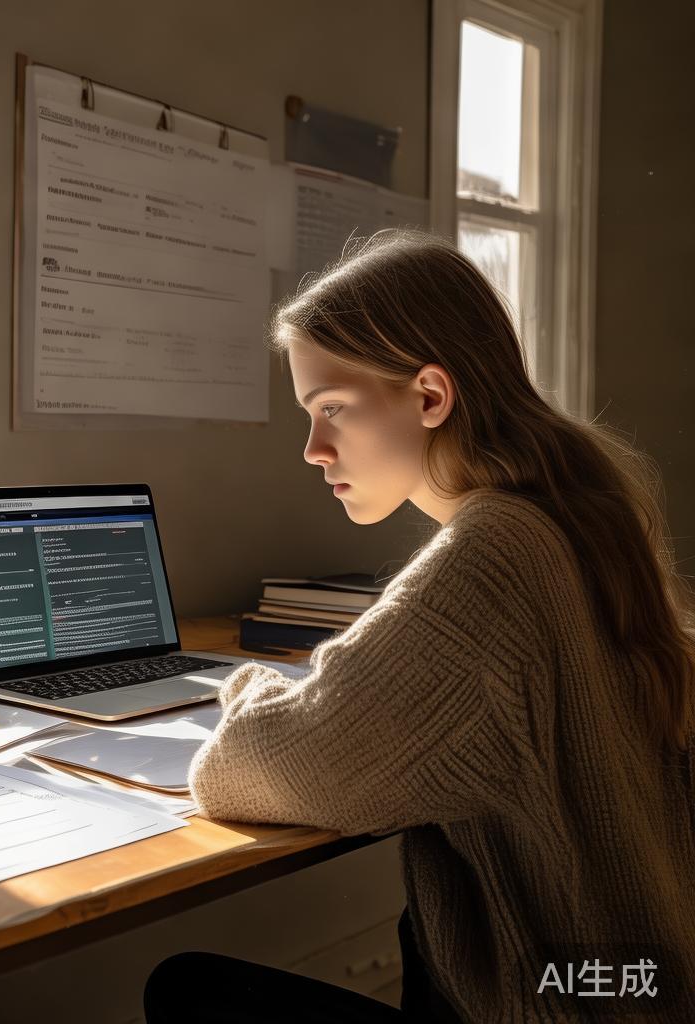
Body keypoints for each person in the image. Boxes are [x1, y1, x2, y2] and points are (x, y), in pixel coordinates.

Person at [143, 230, 695, 1023]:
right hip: (639, 990)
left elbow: (244, 768)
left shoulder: (496, 552)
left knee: (185, 988)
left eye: (331, 409)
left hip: (552, 1007)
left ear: (431, 396)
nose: (312, 449)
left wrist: (248, 689)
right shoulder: (583, 519)